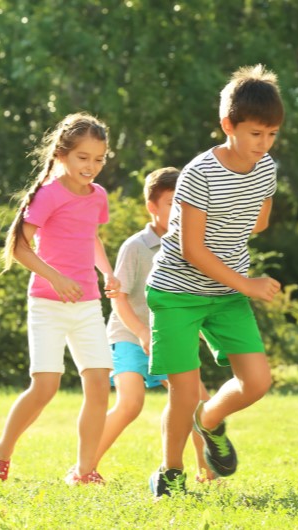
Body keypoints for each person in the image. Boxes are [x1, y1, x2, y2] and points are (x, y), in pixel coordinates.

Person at [146, 64, 283, 498]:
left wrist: (239, 275)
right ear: (229, 126)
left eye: (272, 135)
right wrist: (249, 284)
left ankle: (209, 422)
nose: (264, 145)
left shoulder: (266, 169)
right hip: (176, 293)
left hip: (224, 294)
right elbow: (192, 248)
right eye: (255, 134)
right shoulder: (198, 174)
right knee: (184, 393)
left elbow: (258, 221)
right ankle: (170, 472)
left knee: (257, 382)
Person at [0, 112, 118, 485]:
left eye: (99, 159)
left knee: (99, 382)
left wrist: (107, 272)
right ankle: (2, 450)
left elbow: (90, 237)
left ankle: (85, 471)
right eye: (83, 158)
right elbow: (20, 248)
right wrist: (55, 278)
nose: (91, 166)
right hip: (47, 303)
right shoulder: (49, 194)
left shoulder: (98, 197)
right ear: (62, 154)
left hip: (88, 303)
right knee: (45, 386)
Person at [94, 167, 215, 483]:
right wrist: (142, 332)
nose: (180, 212)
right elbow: (118, 299)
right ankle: (84, 468)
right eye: (173, 204)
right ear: (152, 207)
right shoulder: (136, 247)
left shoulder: (193, 246)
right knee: (131, 403)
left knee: (199, 405)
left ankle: (209, 475)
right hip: (130, 336)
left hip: (170, 340)